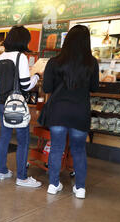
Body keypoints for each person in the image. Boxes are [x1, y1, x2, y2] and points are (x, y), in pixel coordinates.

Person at [43, 25, 99, 199]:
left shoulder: (54, 62)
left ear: (66, 40)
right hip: (80, 111)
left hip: (58, 111)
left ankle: (53, 184)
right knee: (79, 150)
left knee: (56, 149)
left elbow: (46, 88)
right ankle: (80, 188)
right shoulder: (92, 63)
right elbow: (94, 88)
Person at [0, 25, 42, 188]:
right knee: (23, 140)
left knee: (4, 137)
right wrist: (36, 76)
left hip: (2, 103)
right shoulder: (20, 57)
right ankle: (22, 177)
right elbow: (25, 85)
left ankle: (3, 171)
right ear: (23, 40)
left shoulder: (0, 57)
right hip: (16, 105)